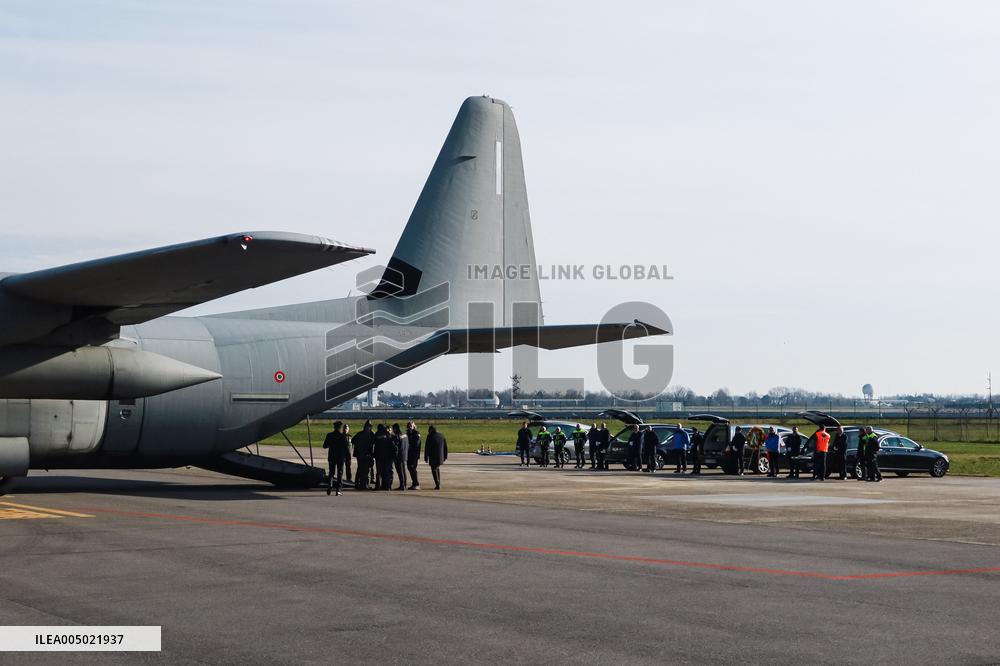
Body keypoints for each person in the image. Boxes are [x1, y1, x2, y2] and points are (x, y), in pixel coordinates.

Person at [323, 420, 350, 496]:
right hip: (340, 457)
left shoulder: (329, 435)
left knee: (331, 472)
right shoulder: (342, 436)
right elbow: (346, 447)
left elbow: (324, 446)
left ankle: (330, 485)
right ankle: (338, 489)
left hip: (331, 456)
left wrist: (331, 445)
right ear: (340, 427)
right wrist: (348, 457)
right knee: (340, 473)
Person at [373, 424, 397, 491]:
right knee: (387, 472)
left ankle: (378, 486)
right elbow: (393, 446)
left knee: (379, 472)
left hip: (379, 456)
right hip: (387, 457)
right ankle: (387, 486)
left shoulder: (377, 435)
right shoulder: (389, 436)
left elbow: (374, 443)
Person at [352, 421, 375, 490]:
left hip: (361, 455)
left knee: (361, 470)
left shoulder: (360, 434)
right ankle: (364, 484)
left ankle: (359, 484)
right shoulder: (371, 434)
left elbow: (353, 441)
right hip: (365, 455)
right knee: (365, 470)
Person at [425, 425, 448, 489]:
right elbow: (445, 447)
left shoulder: (429, 436)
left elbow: (427, 448)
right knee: (437, 469)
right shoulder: (441, 435)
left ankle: (438, 484)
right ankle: (438, 483)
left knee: (434, 470)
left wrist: (426, 457)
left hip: (433, 456)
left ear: (431, 430)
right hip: (440, 456)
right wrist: (445, 456)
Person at [392, 423, 408, 491]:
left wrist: (395, 457)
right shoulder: (405, 435)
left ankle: (402, 485)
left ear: (395, 428)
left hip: (399, 457)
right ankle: (404, 484)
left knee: (400, 471)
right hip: (405, 455)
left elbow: (396, 448)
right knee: (404, 471)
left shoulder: (397, 436)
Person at [406, 421, 422, 489]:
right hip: (409, 454)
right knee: (410, 468)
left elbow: (416, 444)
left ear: (414, 426)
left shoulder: (416, 434)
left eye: (411, 426)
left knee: (412, 468)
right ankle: (414, 483)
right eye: (409, 426)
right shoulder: (408, 434)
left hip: (414, 454)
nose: (410, 427)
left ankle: (416, 483)